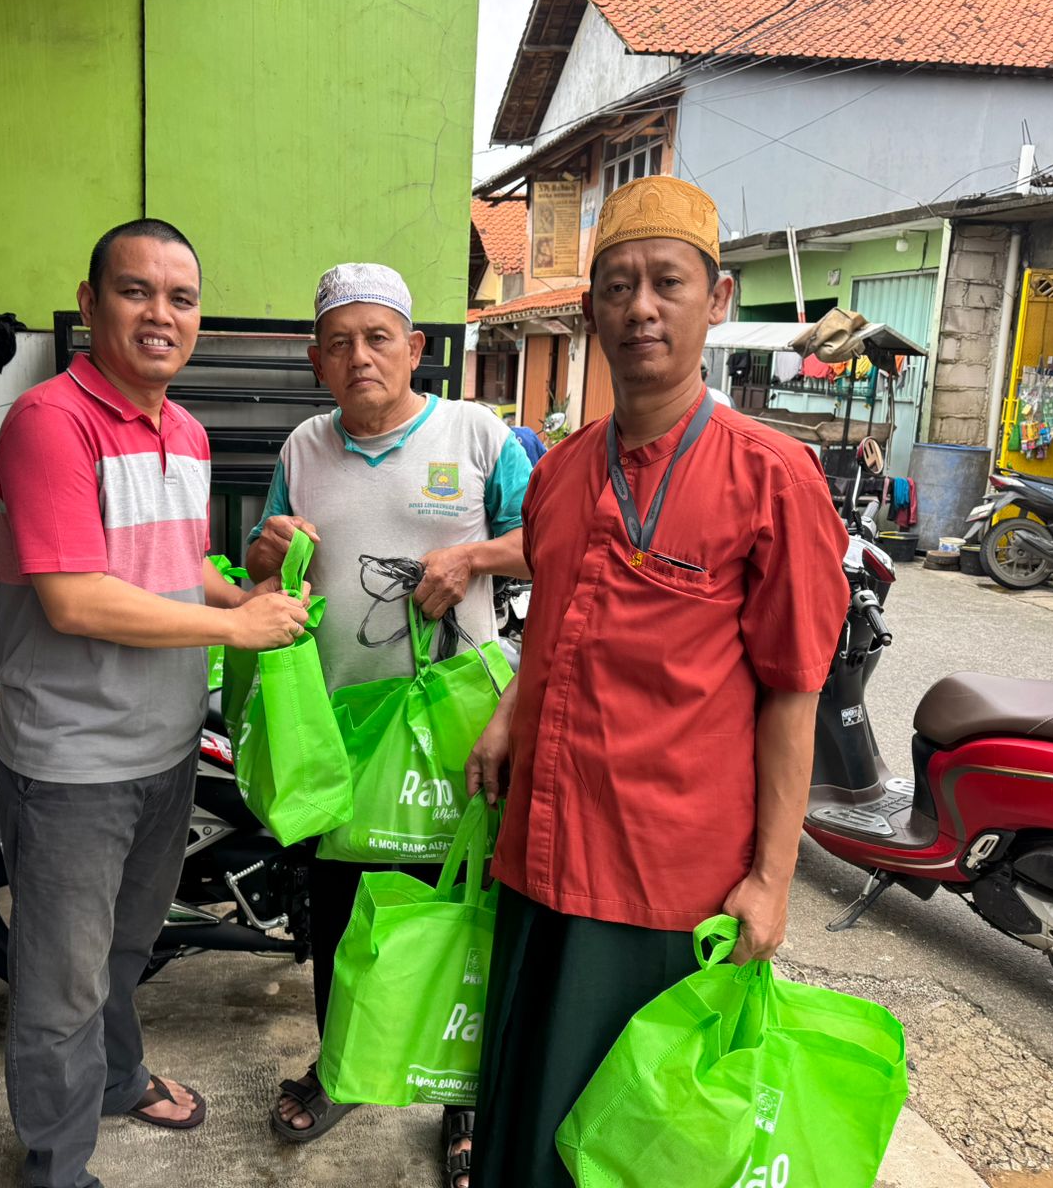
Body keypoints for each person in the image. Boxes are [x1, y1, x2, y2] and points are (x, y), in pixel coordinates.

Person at [462, 177, 851, 1187]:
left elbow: (793, 691)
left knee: (637, 1142)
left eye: (666, 283)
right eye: (619, 286)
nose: (641, 307)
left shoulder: (772, 477)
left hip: (663, 883)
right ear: (588, 310)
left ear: (714, 299)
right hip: (540, 855)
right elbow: (552, 619)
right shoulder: (558, 470)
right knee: (525, 1112)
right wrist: (509, 714)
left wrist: (769, 880)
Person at [0, 218, 310, 1188]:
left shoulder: (189, 431)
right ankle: (57, 1167)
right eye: (135, 291)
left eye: (180, 297)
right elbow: (76, 596)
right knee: (59, 984)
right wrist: (233, 632)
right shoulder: (50, 423)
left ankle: (120, 1076)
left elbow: (171, 570)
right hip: (73, 765)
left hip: (164, 751)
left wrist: (240, 591)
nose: (160, 314)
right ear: (90, 307)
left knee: (129, 947)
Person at [243, 263, 533, 1188]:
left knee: (459, 912)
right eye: (340, 341)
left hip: (459, 736)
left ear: (415, 349)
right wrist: (264, 554)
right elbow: (263, 566)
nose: (360, 355)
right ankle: (341, 1067)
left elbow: (554, 543)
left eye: (379, 338)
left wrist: (477, 553)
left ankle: (462, 1100)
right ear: (317, 361)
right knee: (339, 913)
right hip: (343, 735)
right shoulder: (302, 448)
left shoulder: (477, 433)